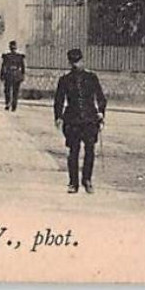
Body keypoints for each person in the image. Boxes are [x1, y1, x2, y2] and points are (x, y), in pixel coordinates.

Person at [53, 48, 107, 193]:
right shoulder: (64, 80)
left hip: (90, 119)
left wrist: (101, 113)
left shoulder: (92, 77)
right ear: (69, 62)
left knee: (90, 150)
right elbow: (59, 99)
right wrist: (58, 116)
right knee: (73, 151)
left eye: (78, 61)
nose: (76, 65)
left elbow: (100, 97)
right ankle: (73, 183)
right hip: (72, 120)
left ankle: (87, 180)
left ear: (82, 61)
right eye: (73, 62)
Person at [0, 40, 27, 111]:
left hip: (9, 74)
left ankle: (8, 103)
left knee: (8, 90)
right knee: (15, 91)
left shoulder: (7, 56)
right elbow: (23, 68)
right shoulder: (19, 57)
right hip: (16, 75)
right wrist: (22, 75)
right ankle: (13, 105)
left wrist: (2, 75)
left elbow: (3, 67)